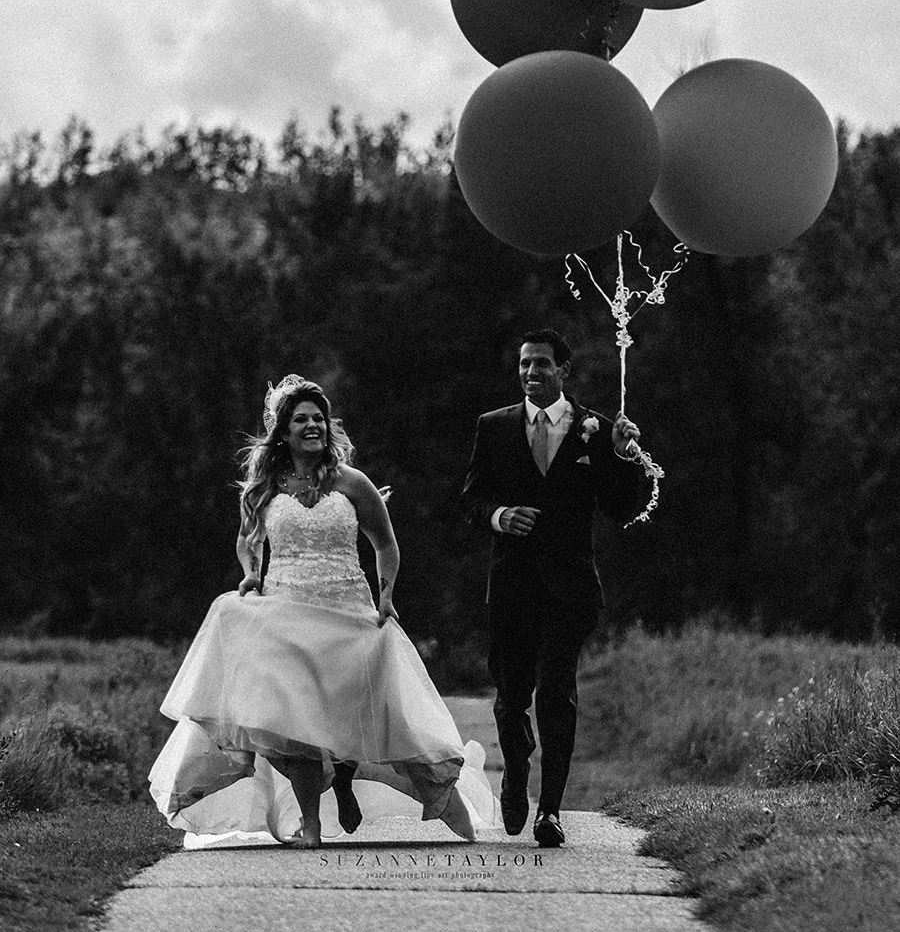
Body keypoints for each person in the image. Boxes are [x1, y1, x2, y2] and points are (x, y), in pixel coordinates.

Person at [150, 375, 494, 848]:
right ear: (283, 432)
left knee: (390, 722)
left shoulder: (352, 483)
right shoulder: (265, 487)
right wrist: (250, 573)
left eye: (318, 418)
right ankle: (310, 826)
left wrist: (387, 596)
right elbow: (247, 541)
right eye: (301, 420)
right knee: (295, 726)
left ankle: (448, 815)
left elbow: (385, 543)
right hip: (285, 616)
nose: (312, 426)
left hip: (347, 614)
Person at [462, 328, 650, 849]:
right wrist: (500, 516)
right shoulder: (494, 427)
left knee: (558, 694)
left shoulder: (598, 429)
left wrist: (625, 457)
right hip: (512, 588)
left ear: (563, 370)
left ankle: (550, 810)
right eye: (524, 364)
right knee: (511, 697)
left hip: (569, 589)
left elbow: (621, 508)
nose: (530, 373)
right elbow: (471, 501)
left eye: (541, 364)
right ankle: (516, 763)